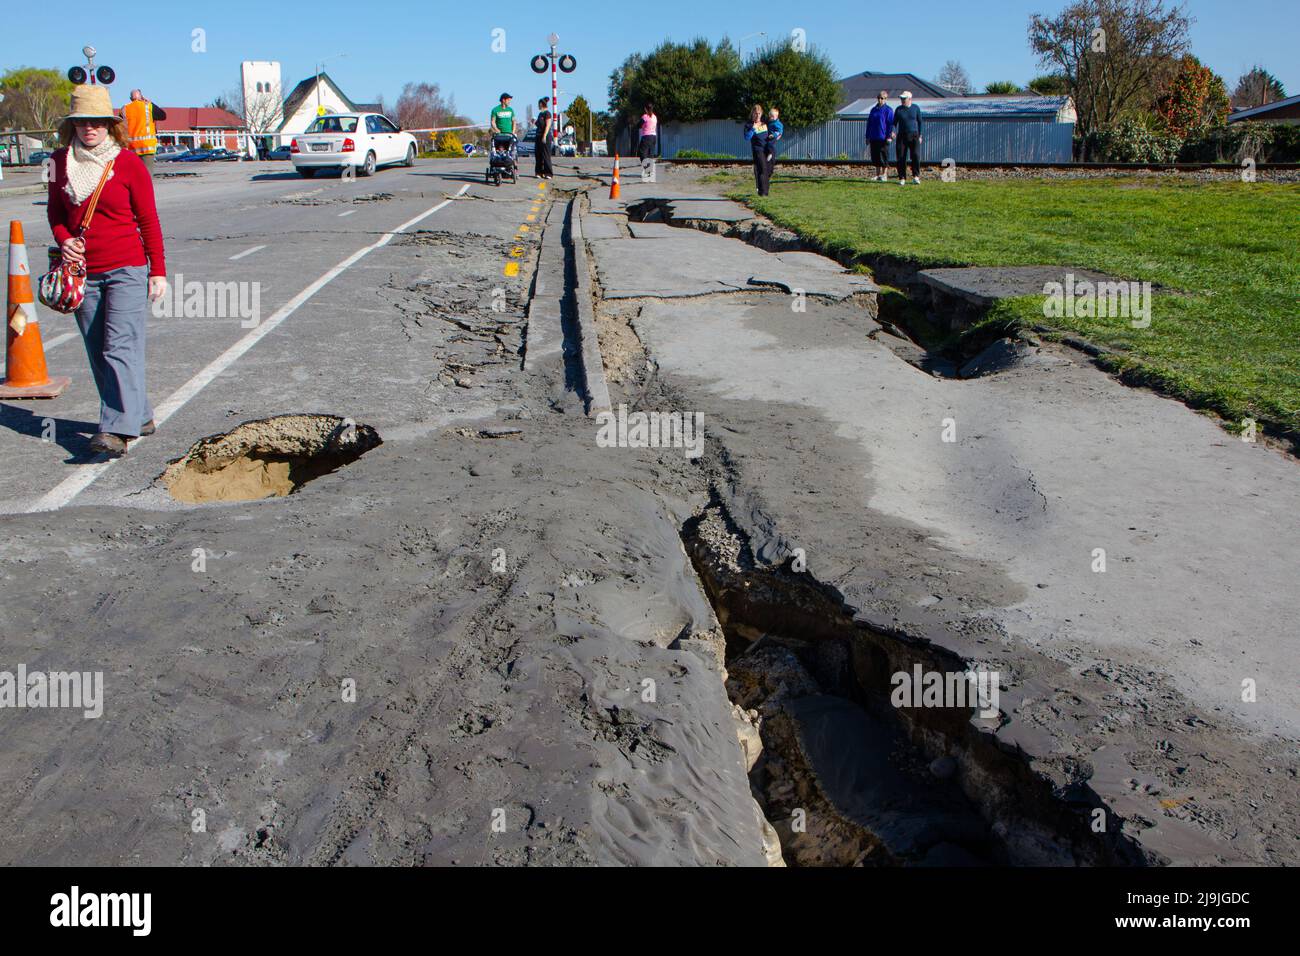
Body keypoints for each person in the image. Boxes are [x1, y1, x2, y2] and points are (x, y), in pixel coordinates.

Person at [47, 85, 167, 458]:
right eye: (83, 123)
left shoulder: (128, 163)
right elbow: (54, 212)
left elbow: (148, 219)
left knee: (120, 346)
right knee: (98, 348)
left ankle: (115, 429)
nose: (90, 129)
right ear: (73, 126)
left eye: (98, 122)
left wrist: (157, 270)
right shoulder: (57, 162)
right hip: (83, 272)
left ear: (111, 126)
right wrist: (64, 237)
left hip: (127, 268)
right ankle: (139, 414)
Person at [121, 89, 167, 174]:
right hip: (147, 147)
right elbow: (163, 116)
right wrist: (150, 102)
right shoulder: (148, 106)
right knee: (147, 176)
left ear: (130, 98)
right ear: (141, 97)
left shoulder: (125, 109)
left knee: (135, 175)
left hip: (132, 148)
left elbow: (120, 125)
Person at [892, 90, 923, 185]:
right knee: (901, 157)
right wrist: (893, 131)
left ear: (910, 99)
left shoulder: (916, 108)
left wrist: (920, 135)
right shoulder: (898, 109)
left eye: (904, 98)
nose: (902, 100)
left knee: (916, 156)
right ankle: (902, 178)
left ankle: (916, 177)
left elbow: (920, 122)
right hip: (902, 136)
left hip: (914, 135)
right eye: (901, 98)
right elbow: (894, 123)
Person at [865, 91, 894, 182]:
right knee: (875, 156)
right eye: (879, 98)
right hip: (874, 136)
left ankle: (884, 175)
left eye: (882, 98)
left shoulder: (888, 110)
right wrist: (867, 136)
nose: (880, 100)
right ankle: (877, 175)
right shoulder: (873, 110)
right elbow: (869, 123)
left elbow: (890, 124)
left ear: (885, 99)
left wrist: (889, 136)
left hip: (883, 137)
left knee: (884, 156)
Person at [744, 105, 772, 197]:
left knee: (768, 170)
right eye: (755, 113)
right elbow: (747, 137)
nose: (757, 115)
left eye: (759, 113)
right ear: (752, 114)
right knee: (762, 168)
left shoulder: (764, 123)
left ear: (761, 114)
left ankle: (765, 191)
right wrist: (753, 128)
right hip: (758, 150)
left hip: (766, 149)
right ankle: (762, 192)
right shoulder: (749, 125)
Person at [535, 97, 553, 179]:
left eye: (538, 104)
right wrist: (534, 122)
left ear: (541, 104)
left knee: (546, 155)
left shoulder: (547, 113)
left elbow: (548, 125)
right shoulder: (540, 114)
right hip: (538, 135)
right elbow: (539, 125)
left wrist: (544, 136)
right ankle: (539, 172)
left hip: (545, 136)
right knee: (538, 155)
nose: (538, 106)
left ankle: (548, 173)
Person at [764, 107, 784, 179]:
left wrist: (774, 135)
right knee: (767, 144)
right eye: (770, 116)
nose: (771, 118)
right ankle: (769, 153)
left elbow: (779, 131)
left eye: (773, 116)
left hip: (774, 137)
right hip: (769, 136)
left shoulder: (777, 123)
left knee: (770, 144)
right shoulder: (770, 121)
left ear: (776, 117)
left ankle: (770, 153)